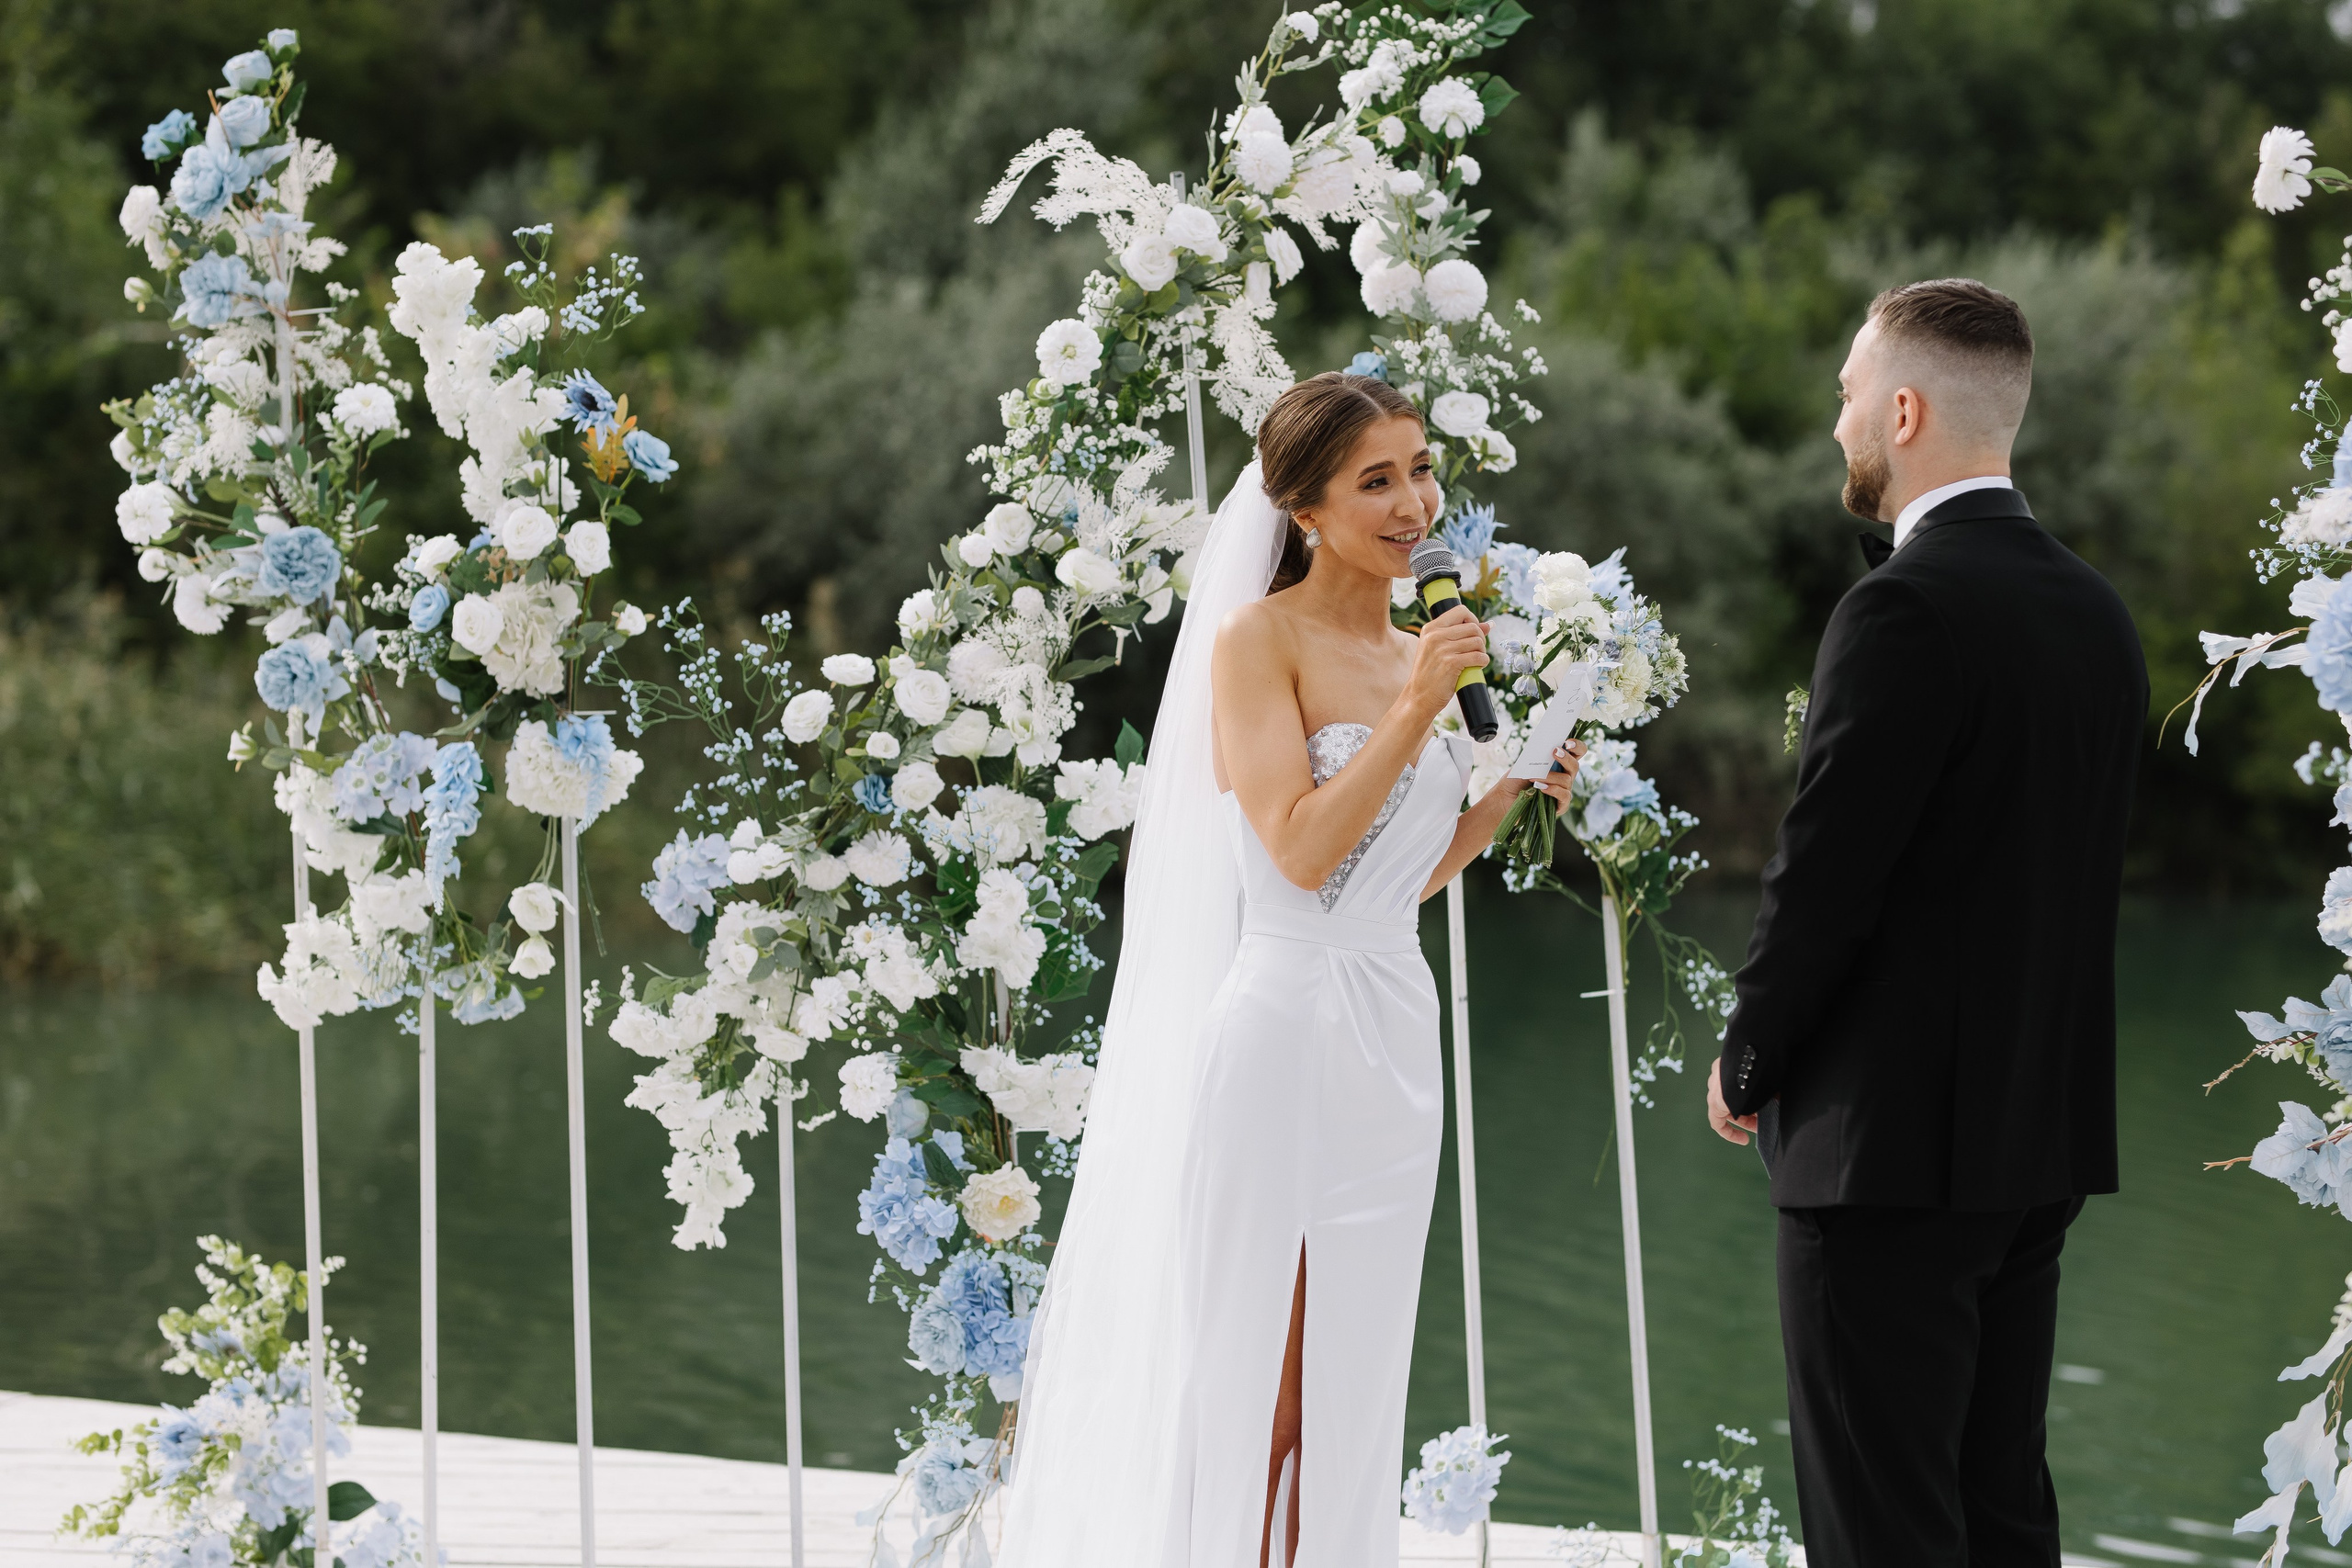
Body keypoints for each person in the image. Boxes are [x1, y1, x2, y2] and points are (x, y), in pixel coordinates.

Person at [997, 372, 1578, 1568]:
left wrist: (1510, 788)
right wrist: (1420, 710)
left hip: (1391, 1029)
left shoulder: (1426, 651)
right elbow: (1302, 848)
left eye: (1420, 468)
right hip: (1283, 1027)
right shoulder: (1257, 644)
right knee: (1264, 1367)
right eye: (1377, 479)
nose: (1414, 500)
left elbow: (1395, 878)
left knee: (1358, 1368)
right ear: (1302, 509)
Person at [1704, 279, 2148, 1567]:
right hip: (2034, 1145)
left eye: (1850, 394)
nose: (1838, 420)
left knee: (1882, 1533)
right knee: (2001, 1515)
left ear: (1904, 410)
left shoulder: (1900, 607)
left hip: (1885, 1150)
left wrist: (1752, 1054)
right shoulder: (2097, 612)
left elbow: (1829, 870)